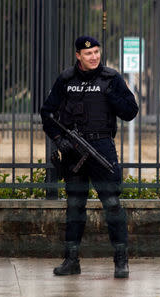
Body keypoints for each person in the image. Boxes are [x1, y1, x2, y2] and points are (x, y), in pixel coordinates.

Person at [40, 35, 138, 278]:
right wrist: (58, 140)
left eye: (96, 52)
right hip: (73, 151)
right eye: (88, 54)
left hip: (102, 147)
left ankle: (121, 262)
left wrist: (110, 96)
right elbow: (46, 113)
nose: (94, 57)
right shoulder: (66, 79)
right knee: (74, 208)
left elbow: (131, 111)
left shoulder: (111, 78)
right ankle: (71, 261)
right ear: (78, 56)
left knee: (113, 205)